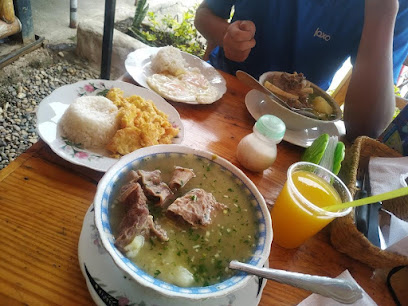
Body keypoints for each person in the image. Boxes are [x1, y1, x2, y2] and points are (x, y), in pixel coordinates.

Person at [194, 0, 408, 141]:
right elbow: (205, 14)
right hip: (222, 96)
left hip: (297, 133)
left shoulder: (396, 7)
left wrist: (383, 11)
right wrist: (226, 37)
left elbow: (367, 130)